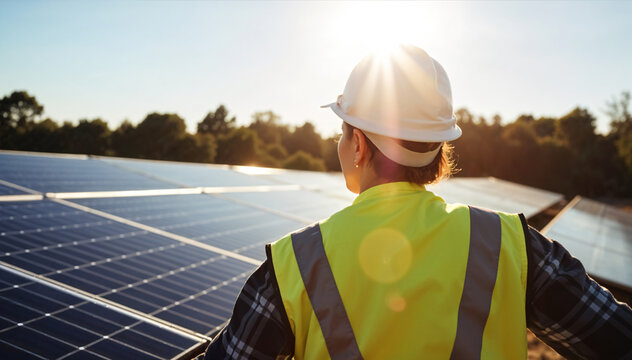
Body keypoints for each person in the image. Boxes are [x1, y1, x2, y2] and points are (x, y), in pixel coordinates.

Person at [200, 44, 632, 359]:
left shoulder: (293, 264)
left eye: (343, 130)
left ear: (358, 146)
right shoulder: (514, 246)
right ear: (440, 150)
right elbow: (616, 338)